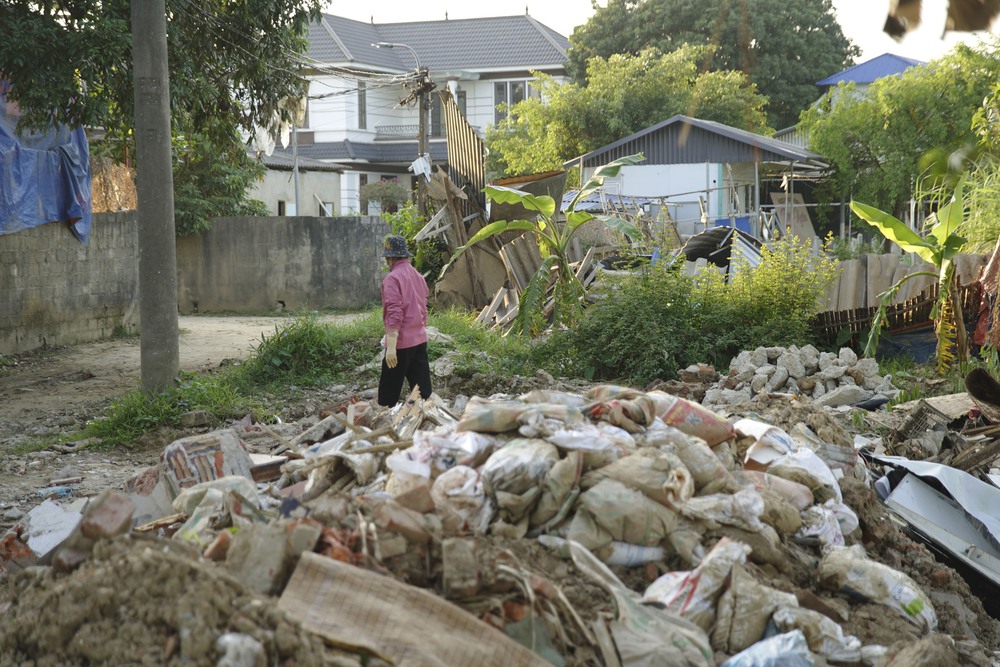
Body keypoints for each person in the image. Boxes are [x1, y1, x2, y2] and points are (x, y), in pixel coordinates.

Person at [378, 235, 432, 406]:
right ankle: (426, 416)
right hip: (419, 340)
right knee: (423, 392)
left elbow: (395, 313)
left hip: (401, 344)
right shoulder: (418, 276)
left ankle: (386, 417)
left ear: (390, 258)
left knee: (388, 395)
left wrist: (391, 347)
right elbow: (423, 308)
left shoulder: (392, 279)